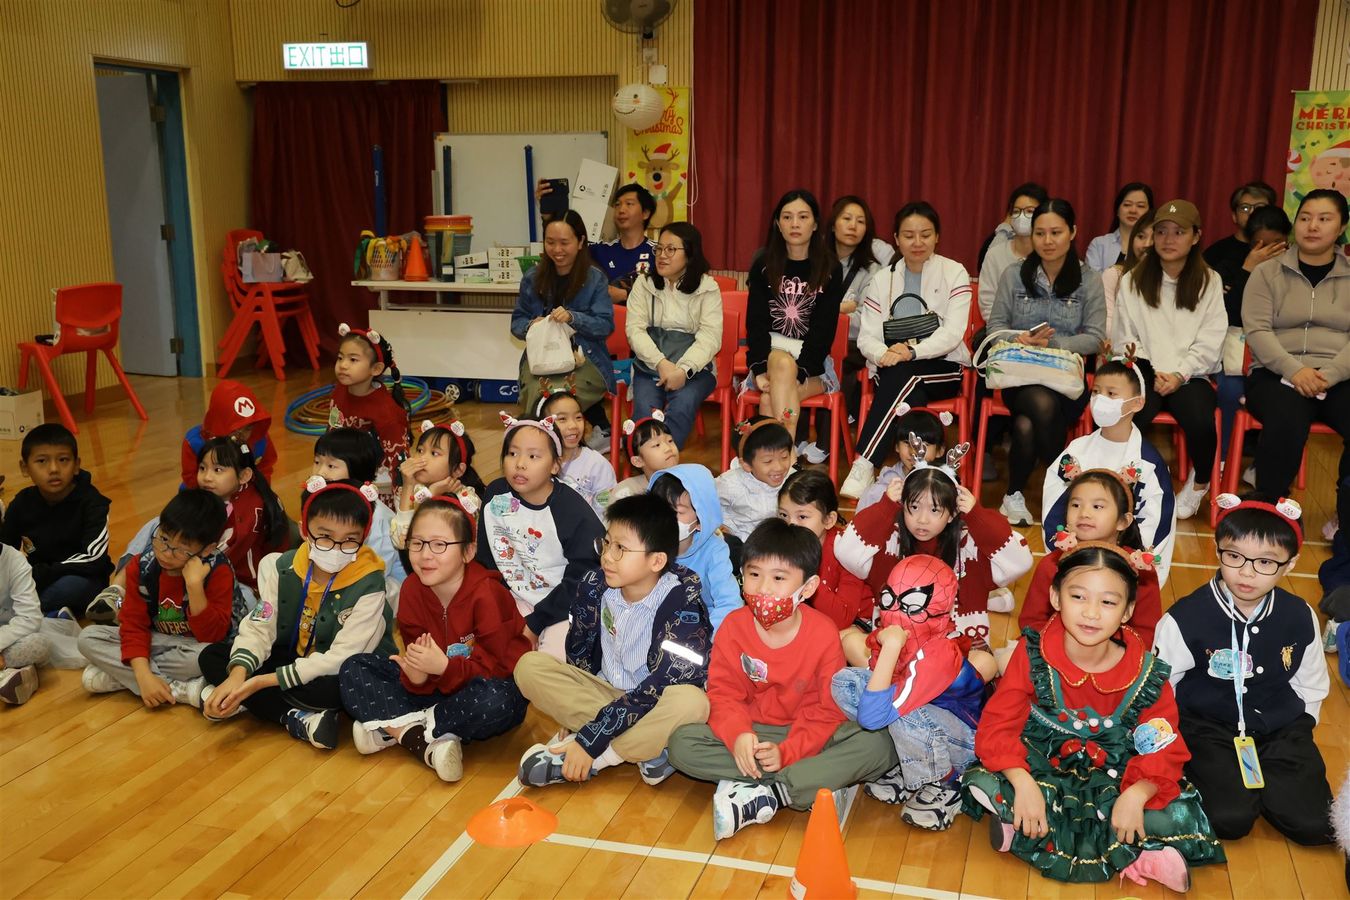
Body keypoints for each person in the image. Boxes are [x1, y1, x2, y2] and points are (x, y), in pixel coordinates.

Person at [961, 544, 1225, 890]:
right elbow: (999, 723)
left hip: (1116, 773)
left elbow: (1164, 748)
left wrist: (1137, 794)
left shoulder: (1146, 674)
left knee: (1167, 808)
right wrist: (1022, 782)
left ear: (1127, 611)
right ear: (1055, 597)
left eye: (1108, 602)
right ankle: (1122, 846)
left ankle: (1127, 849)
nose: (1091, 613)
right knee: (985, 780)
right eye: (1078, 597)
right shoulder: (1033, 652)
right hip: (1043, 764)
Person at [666, 519, 898, 840]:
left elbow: (825, 710)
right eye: (754, 574)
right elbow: (723, 694)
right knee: (681, 744)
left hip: (811, 734)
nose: (763, 588)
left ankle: (771, 792)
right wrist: (739, 736)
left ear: (809, 588)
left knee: (882, 743)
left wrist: (788, 752)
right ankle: (809, 783)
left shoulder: (823, 632)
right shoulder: (733, 626)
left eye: (778, 578)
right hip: (755, 732)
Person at [1153, 495, 1333, 846]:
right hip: (1208, 727)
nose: (1247, 572)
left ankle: (1269, 785)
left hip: (1281, 728)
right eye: (1234, 556)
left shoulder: (1299, 615)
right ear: (1217, 550)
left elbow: (1311, 684)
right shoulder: (1185, 617)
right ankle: (1238, 785)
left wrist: (1299, 730)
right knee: (1229, 819)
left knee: (1315, 825)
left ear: (1290, 564)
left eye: (1265, 562)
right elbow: (1160, 685)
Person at [513, 494, 712, 787]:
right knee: (529, 667)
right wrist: (572, 718)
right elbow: (578, 656)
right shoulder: (593, 586)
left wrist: (590, 741)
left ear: (656, 560)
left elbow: (661, 687)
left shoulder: (683, 605)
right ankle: (648, 749)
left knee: (693, 703)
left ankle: (601, 757)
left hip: (654, 702)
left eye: (621, 549)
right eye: (606, 543)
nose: (607, 556)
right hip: (604, 694)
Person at [340, 495, 529, 783]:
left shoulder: (488, 594)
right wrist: (416, 678)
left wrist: (444, 668)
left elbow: (497, 670)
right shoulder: (412, 590)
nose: (425, 554)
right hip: (436, 690)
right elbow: (417, 660)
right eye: (417, 543)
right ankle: (425, 737)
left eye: (439, 545)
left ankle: (397, 727)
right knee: (354, 668)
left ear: (468, 551)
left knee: (498, 701)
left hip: (484, 686)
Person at [199, 481, 395, 750]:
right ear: (304, 530)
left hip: (339, 670)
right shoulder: (282, 566)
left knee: (336, 690)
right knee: (213, 657)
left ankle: (251, 701)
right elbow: (260, 626)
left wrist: (259, 681)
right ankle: (296, 716)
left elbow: (341, 658)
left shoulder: (370, 584)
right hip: (295, 658)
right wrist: (238, 675)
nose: (336, 548)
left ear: (364, 538)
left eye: (350, 540)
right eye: (324, 536)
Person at [830, 555, 990, 830]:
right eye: (890, 599)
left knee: (903, 712)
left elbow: (873, 717)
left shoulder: (940, 652)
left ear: (941, 609)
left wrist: (891, 647)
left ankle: (947, 782)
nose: (895, 613)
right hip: (927, 722)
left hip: (966, 744)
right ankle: (909, 766)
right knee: (847, 682)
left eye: (912, 605)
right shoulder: (896, 633)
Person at [837, 443, 1032, 645]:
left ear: (953, 513)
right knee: (850, 642)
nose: (922, 519)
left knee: (984, 661)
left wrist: (978, 516)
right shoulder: (890, 541)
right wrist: (884, 507)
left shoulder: (969, 547)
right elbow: (845, 551)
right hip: (897, 650)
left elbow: (1021, 561)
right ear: (902, 505)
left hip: (957, 651)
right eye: (914, 507)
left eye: (934, 510)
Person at [986, 199, 1106, 526]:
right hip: (1020, 377)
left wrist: (1052, 344)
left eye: (1056, 232)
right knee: (1040, 405)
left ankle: (1013, 494)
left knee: (1026, 425)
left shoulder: (1088, 279)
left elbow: (1096, 337)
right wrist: (1018, 339)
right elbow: (995, 328)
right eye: (1040, 233)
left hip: (1065, 380)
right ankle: (1064, 490)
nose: (1047, 241)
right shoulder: (1014, 275)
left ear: (1073, 232)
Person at [842, 201, 971, 499]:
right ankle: (924, 470)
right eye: (909, 235)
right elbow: (867, 337)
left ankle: (865, 461)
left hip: (943, 367)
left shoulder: (954, 273)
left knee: (906, 376)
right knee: (909, 387)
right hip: (893, 369)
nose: (917, 242)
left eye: (925, 234)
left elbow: (952, 334)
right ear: (896, 239)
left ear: (937, 236)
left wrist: (911, 352)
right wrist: (885, 354)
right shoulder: (882, 279)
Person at [88, 436, 291, 625]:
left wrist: (163, 563)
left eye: (218, 470)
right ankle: (116, 591)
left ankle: (144, 614)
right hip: (199, 569)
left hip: (242, 583)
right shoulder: (217, 494)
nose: (207, 477)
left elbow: (214, 560)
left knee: (238, 604)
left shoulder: (247, 512)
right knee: (158, 525)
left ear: (244, 475)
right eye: (202, 468)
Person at [1242, 189, 1350, 540]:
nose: (1312, 226)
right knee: (1287, 416)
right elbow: (1257, 330)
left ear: (1341, 228)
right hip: (1275, 373)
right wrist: (1295, 370)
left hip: (1338, 375)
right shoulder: (1267, 272)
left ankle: (1345, 514)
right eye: (1305, 218)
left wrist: (1329, 375)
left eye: (1324, 219)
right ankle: (1271, 512)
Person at [1113, 199, 1226, 519]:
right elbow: (1125, 336)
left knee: (1200, 420)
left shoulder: (1209, 281)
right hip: (1144, 372)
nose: (1168, 239)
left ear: (1196, 236)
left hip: (1191, 375)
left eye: (1179, 232)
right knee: (1130, 414)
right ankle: (1124, 483)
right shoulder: (1133, 279)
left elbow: (1211, 338)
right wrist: (1151, 371)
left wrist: (1180, 373)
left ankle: (1200, 482)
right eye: (1161, 231)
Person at [77, 490, 233, 709]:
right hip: (155, 640)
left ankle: (120, 677)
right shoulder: (142, 566)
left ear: (207, 549)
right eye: (163, 539)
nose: (166, 553)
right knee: (88, 637)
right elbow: (133, 624)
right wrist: (143, 675)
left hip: (194, 647)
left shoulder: (218, 571)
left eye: (181, 550)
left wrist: (194, 587)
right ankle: (177, 689)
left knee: (209, 657)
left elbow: (213, 637)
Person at [477, 414, 604, 659]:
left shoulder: (572, 511)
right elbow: (486, 561)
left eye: (533, 456)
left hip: (561, 604)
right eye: (512, 453)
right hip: (512, 597)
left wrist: (536, 623)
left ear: (555, 465)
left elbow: (584, 578)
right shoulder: (495, 495)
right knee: (492, 652)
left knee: (549, 665)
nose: (520, 464)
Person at [1042, 357, 1177, 584]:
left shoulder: (1148, 464)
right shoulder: (1076, 451)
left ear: (1137, 403)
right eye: (1096, 392)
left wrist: (1121, 563)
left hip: (1122, 570)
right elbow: (1053, 507)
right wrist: (1068, 551)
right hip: (1074, 561)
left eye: (1111, 393)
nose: (1100, 399)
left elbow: (1157, 525)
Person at [1021, 469, 1162, 647]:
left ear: (1123, 521)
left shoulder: (1139, 570)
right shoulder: (1051, 564)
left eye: (1097, 506)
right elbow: (1032, 621)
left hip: (1117, 656)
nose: (1084, 513)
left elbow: (1147, 632)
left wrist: (1109, 651)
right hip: (1053, 651)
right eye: (1075, 505)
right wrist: (1063, 648)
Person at [511, 210, 615, 448]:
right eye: (550, 242)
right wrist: (531, 325)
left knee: (560, 396)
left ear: (580, 242)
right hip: (542, 359)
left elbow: (605, 325)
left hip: (585, 360)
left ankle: (565, 449)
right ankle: (542, 449)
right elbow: (517, 323)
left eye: (564, 243)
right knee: (538, 393)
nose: (557, 249)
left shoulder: (595, 279)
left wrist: (573, 318)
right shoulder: (532, 278)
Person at [744, 189, 844, 431]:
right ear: (778, 224)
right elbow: (756, 322)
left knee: (769, 398)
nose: (795, 224)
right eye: (787, 217)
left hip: (813, 366)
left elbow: (824, 329)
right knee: (781, 365)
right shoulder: (763, 265)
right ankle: (787, 453)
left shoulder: (830, 267)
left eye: (803, 217)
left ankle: (780, 452)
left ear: (815, 224)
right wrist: (759, 369)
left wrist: (799, 373)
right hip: (769, 358)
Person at [624, 222, 722, 449]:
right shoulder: (644, 284)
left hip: (695, 369)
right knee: (645, 412)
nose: (662, 255)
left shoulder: (708, 287)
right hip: (650, 365)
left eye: (671, 249)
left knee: (682, 405)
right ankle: (648, 461)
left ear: (689, 253)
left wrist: (683, 370)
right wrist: (661, 363)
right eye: (659, 248)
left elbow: (710, 337)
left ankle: (661, 462)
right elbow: (634, 331)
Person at [0, 424, 113, 617]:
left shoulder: (93, 503)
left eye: (63, 460)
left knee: (70, 588)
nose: (53, 469)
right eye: (42, 461)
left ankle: (25, 611)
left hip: (82, 577)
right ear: (25, 468)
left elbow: (94, 557)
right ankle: (51, 615)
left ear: (76, 465)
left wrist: (38, 575)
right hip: (36, 579)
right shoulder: (22, 502)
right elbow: (5, 548)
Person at [814, 194, 892, 457]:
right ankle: (796, 438)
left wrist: (828, 311)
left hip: (854, 343)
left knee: (838, 360)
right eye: (846, 218)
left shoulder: (873, 270)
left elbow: (864, 319)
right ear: (833, 225)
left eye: (860, 221)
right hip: (815, 339)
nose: (852, 226)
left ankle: (827, 443)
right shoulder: (815, 262)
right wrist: (842, 309)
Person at [1215, 206, 1293, 463]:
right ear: (1250, 242)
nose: (1270, 251)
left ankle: (1265, 464)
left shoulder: (1294, 270)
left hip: (1282, 355)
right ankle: (1222, 459)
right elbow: (1227, 315)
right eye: (1262, 244)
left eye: (1277, 244)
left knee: (1286, 398)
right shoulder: (1229, 268)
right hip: (1237, 355)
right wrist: (1247, 270)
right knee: (1229, 391)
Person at [776, 469, 874, 666]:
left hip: (857, 624)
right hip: (812, 625)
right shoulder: (779, 546)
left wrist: (804, 574)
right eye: (784, 515)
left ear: (829, 520)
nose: (790, 525)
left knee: (842, 642)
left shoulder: (846, 550)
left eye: (802, 517)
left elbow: (843, 619)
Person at [309, 428, 407, 589]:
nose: (321, 472)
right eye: (317, 462)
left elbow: (377, 572)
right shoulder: (326, 502)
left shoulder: (377, 517)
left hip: (384, 584)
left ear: (357, 469)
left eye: (331, 466)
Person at [650, 465, 743, 631]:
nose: (665, 518)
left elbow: (729, 603)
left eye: (677, 512)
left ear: (701, 520)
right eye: (660, 509)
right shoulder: (645, 545)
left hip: (703, 626)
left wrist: (704, 636)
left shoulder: (714, 550)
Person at [328, 324, 412, 505]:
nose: (343, 365)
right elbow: (332, 431)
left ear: (376, 369)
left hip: (377, 488)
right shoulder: (339, 391)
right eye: (340, 358)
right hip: (345, 475)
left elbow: (399, 461)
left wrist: (403, 509)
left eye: (353, 360)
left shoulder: (386, 411)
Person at [393, 419, 483, 549]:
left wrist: (431, 497)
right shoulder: (410, 490)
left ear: (458, 470)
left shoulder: (467, 499)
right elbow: (400, 541)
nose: (422, 458)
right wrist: (408, 485)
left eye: (434, 453)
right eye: (420, 450)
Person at [179, 378, 276, 488]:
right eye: (235, 430)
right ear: (218, 423)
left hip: (244, 492)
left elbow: (264, 470)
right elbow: (191, 480)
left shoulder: (260, 439)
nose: (241, 435)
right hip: (204, 493)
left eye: (248, 428)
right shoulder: (194, 443)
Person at [715, 416, 796, 543]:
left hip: (779, 542)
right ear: (746, 465)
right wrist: (726, 527)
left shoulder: (794, 480)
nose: (779, 467)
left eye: (784, 457)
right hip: (742, 542)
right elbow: (705, 501)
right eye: (768, 461)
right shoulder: (730, 484)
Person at [978, 183, 1051, 321]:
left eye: (1029, 211)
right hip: (1002, 329)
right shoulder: (995, 255)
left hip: (1046, 330)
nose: (1022, 216)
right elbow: (988, 305)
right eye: (1017, 211)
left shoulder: (1051, 255)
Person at [855, 405, 948, 513]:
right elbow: (861, 520)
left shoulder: (947, 486)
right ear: (897, 446)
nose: (914, 452)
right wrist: (886, 502)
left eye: (924, 445)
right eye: (907, 443)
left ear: (940, 450)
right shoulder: (884, 488)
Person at [539, 390, 616, 518]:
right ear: (544, 424)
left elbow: (605, 512)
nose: (573, 425)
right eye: (562, 419)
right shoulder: (536, 462)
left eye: (578, 417)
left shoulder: (597, 464)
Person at [595, 411, 680, 510]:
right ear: (638, 461)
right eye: (657, 445)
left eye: (670, 441)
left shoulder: (689, 479)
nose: (668, 448)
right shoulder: (627, 493)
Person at [0, 541, 51, 705]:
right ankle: (16, 674)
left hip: (11, 634)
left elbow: (30, 618)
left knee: (39, 644)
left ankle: (11, 674)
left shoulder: (14, 560)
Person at [590, 183, 657, 304]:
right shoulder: (600, 250)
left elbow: (668, 295)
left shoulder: (658, 252)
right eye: (617, 205)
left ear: (645, 213)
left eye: (629, 204)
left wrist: (624, 294)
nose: (621, 210)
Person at [1099, 208, 1154, 340]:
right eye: (1141, 236)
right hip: (1121, 348)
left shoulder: (1170, 280)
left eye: (1154, 238)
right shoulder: (1114, 275)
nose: (1147, 244)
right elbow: (1107, 327)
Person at [1085, 182, 1154, 272]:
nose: (1133, 210)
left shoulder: (1154, 245)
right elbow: (1092, 280)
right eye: (1127, 204)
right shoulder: (1100, 245)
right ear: (1117, 210)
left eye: (1140, 206)